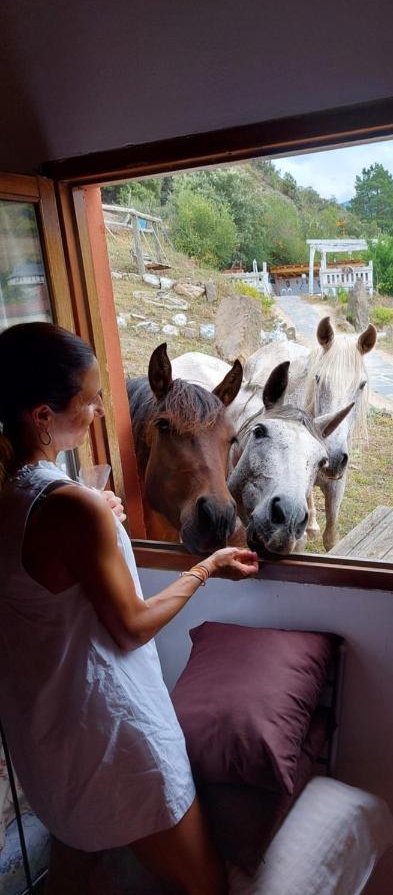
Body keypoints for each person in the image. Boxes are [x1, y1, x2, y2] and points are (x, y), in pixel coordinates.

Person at [0, 322, 259, 895]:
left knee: (81, 867)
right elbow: (132, 627)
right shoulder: (70, 506)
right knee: (205, 884)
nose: (99, 409)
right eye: (90, 398)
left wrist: (92, 512)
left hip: (46, 738)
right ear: (43, 416)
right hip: (117, 736)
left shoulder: (14, 493)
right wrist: (206, 567)